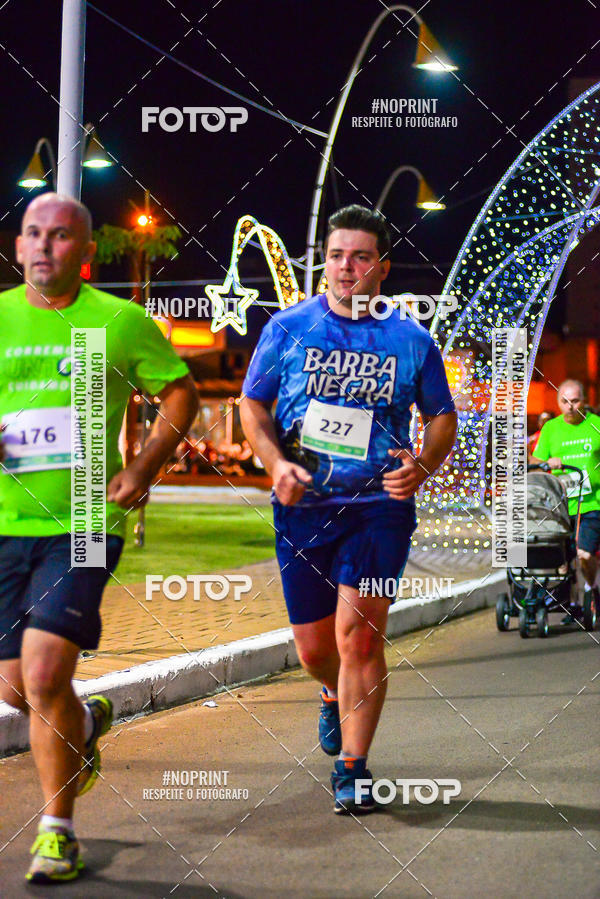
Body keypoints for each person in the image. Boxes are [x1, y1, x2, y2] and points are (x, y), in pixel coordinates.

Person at [0, 193, 198, 882]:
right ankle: (85, 723)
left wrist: (144, 466)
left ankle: (57, 833)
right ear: (18, 245)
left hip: (86, 517)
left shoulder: (118, 321)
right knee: (18, 688)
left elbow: (180, 391)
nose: (44, 246)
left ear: (85, 251)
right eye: (32, 234)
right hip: (5, 525)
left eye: (59, 236)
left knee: (46, 670)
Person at [240, 205, 457, 814]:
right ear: (324, 263)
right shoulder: (287, 329)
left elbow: (443, 417)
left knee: (359, 636)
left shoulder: (411, 339)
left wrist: (424, 464)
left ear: (382, 268)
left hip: (379, 508)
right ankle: (332, 695)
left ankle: (354, 769)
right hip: (304, 507)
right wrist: (276, 465)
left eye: (361, 257)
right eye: (337, 255)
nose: (347, 268)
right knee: (315, 650)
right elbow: (251, 405)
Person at [531, 379, 600, 620]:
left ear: (585, 400)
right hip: (560, 506)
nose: (570, 406)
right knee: (562, 559)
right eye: (565, 401)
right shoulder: (551, 429)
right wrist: (546, 464)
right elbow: (534, 463)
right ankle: (570, 602)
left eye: (575, 400)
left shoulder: (596, 425)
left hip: (591, 504)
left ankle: (592, 591)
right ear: (559, 403)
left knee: (584, 554)